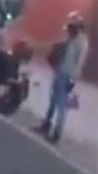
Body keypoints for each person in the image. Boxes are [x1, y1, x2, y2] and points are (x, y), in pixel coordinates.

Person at [36, 11, 89, 144]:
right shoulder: (72, 38)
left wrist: (73, 78)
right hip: (60, 72)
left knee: (61, 105)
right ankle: (46, 125)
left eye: (72, 25)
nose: (69, 28)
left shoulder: (81, 41)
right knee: (53, 101)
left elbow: (78, 61)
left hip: (67, 75)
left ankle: (56, 133)